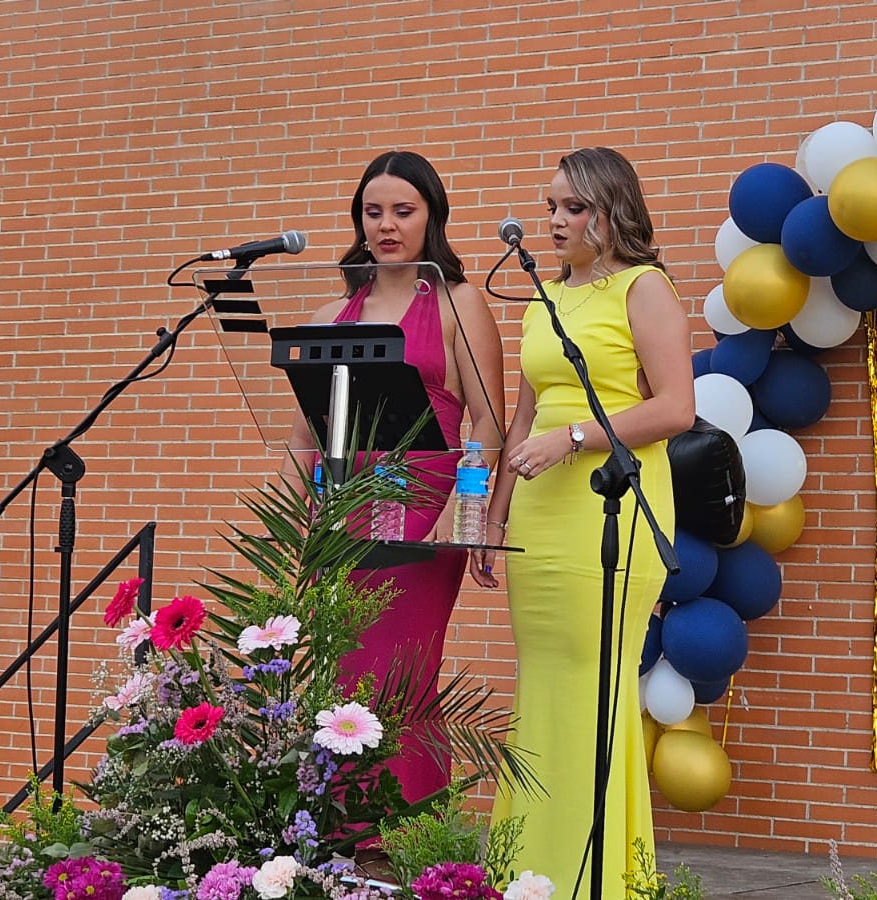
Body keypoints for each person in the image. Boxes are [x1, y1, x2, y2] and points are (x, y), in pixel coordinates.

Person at [471, 147, 695, 890]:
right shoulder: (542, 300)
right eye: (551, 207)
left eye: (574, 207)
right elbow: (522, 417)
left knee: (595, 686)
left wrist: (573, 439)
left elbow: (675, 407)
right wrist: (494, 518)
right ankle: (527, 869)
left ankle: (599, 874)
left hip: (612, 503)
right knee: (543, 683)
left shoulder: (644, 287)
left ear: (613, 211)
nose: (556, 221)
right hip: (540, 512)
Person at [284, 150, 505, 807]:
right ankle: (342, 833)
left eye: (403, 211)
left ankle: (402, 828)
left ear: (431, 217)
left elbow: (487, 423)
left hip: (425, 514)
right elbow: (304, 436)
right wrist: (294, 521)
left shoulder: (459, 303)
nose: (386, 225)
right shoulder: (331, 314)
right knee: (344, 680)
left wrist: (461, 512)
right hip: (341, 517)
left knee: (401, 681)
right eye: (372, 211)